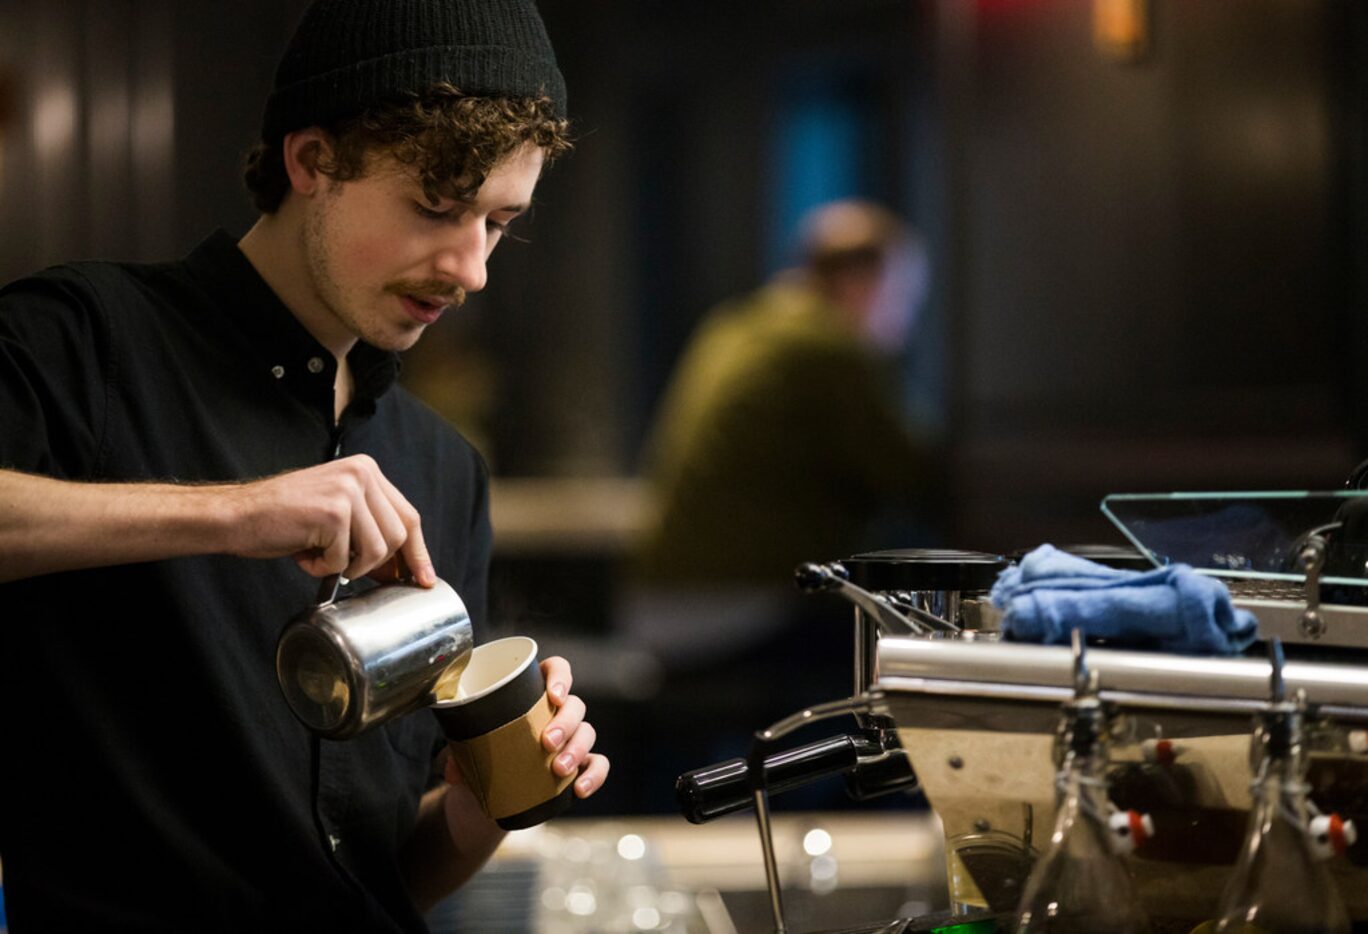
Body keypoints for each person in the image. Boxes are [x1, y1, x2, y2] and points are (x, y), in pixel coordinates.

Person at [0, 0, 607, 929]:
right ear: (311, 160)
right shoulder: (88, 338)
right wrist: (234, 514)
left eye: (498, 223)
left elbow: (392, 872)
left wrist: (484, 807)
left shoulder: (442, 468)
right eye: (436, 209)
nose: (471, 267)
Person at [623, 200, 935, 810]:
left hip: (659, 604)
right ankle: (859, 840)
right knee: (911, 663)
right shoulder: (824, 346)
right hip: (734, 613)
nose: (903, 320)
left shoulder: (738, 324)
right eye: (902, 298)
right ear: (859, 281)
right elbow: (914, 474)